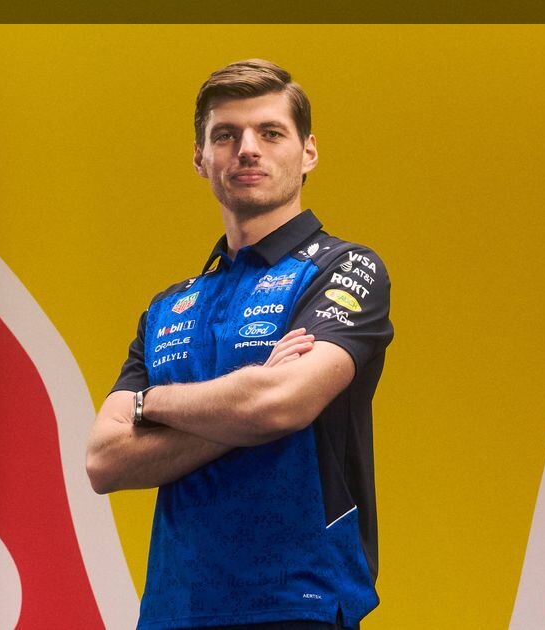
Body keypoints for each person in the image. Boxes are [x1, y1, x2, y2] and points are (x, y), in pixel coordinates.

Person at [86, 59, 393, 630]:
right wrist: (244, 406)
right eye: (226, 135)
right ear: (200, 158)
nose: (247, 149)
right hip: (173, 610)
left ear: (308, 152)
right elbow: (103, 461)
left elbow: (280, 404)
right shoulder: (167, 307)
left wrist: (150, 404)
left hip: (300, 602)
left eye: (270, 133)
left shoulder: (345, 268)